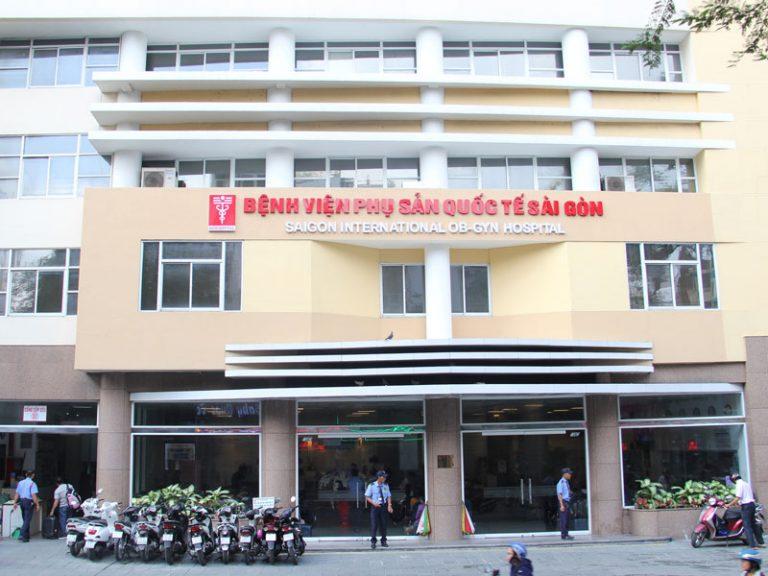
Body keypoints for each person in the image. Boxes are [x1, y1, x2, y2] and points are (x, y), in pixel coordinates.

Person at [728, 472, 764, 548]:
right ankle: (761, 543)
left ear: (733, 479)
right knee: (754, 524)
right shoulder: (746, 483)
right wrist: (738, 503)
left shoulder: (739, 484)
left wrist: (728, 504)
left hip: (746, 507)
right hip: (752, 505)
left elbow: (738, 497)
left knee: (747, 526)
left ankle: (752, 545)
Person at [365, 470, 392, 549]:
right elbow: (367, 497)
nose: (385, 478)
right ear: (379, 477)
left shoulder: (386, 485)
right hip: (375, 507)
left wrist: (389, 505)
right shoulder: (372, 485)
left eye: (385, 477)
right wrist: (374, 503)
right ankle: (373, 542)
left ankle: (383, 541)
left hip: (383, 507)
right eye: (383, 477)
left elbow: (389, 496)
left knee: (384, 524)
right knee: (374, 525)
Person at [12, 470, 40, 543]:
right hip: (28, 502)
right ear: (33, 475)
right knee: (27, 519)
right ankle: (21, 534)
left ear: (26, 475)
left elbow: (17, 493)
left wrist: (14, 502)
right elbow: (34, 495)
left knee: (25, 519)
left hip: (22, 502)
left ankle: (26, 537)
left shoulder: (20, 483)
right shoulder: (32, 483)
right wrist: (37, 504)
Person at [556, 467, 574, 540]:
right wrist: (561, 505)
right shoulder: (561, 483)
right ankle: (564, 535)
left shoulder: (566, 482)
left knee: (567, 519)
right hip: (563, 502)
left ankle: (566, 534)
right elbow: (559, 494)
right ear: (565, 474)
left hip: (567, 502)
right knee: (564, 520)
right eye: (569, 474)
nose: (570, 475)